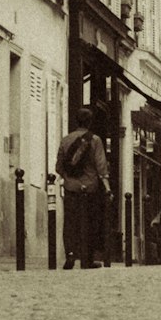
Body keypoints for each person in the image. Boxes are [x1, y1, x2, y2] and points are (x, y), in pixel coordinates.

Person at [55, 107, 110, 269]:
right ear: (90, 122)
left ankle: (70, 255)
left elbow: (58, 166)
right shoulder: (95, 140)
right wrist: (107, 188)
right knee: (89, 223)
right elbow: (101, 166)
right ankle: (87, 259)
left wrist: (68, 178)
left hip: (71, 188)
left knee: (70, 223)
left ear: (76, 121)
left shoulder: (65, 140)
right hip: (90, 188)